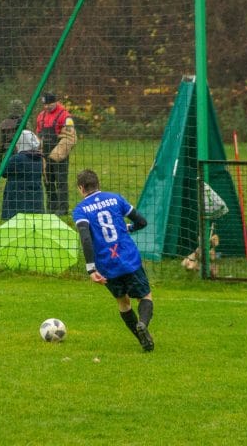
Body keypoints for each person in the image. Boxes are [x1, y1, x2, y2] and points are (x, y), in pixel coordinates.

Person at [72, 169, 155, 352]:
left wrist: (91, 269)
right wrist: (129, 228)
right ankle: (142, 323)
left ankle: (142, 339)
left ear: (81, 188)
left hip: (107, 264)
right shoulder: (116, 199)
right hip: (129, 258)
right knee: (145, 296)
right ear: (98, 184)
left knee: (123, 303)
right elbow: (142, 222)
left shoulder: (80, 210)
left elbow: (85, 238)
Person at [35, 92, 77, 215]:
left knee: (61, 181)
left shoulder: (66, 116)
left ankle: (62, 208)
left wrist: (56, 155)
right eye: (45, 105)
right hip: (44, 154)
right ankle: (51, 207)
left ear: (56, 102)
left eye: (49, 104)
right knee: (47, 181)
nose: (47, 107)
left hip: (59, 155)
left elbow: (70, 137)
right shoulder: (41, 116)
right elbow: (37, 134)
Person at [0, 129, 45, 220]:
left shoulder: (17, 159)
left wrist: (8, 154)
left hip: (17, 201)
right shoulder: (39, 158)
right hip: (35, 201)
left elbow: (3, 172)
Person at [0, 99, 26, 170]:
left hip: (9, 154)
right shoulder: (25, 122)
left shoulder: (4, 123)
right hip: (24, 155)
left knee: (11, 176)